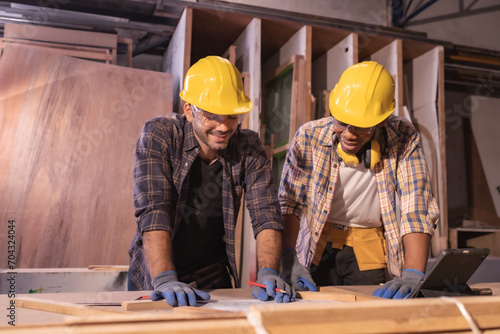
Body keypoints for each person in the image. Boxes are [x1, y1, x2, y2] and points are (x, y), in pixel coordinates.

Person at [128, 55, 294, 306]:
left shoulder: (247, 146)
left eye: (231, 116)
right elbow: (154, 210)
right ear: (188, 110)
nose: (223, 126)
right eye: (211, 116)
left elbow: (266, 214)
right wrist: (164, 278)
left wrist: (269, 271)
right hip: (156, 276)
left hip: (212, 277)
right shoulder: (160, 135)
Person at [278, 61, 439, 299]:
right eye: (342, 123)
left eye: (362, 127)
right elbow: (289, 204)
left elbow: (415, 204)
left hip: (368, 247)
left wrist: (413, 272)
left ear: (381, 120)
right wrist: (288, 258)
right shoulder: (308, 137)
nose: (350, 134)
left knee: (367, 315)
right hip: (316, 245)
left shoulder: (402, 136)